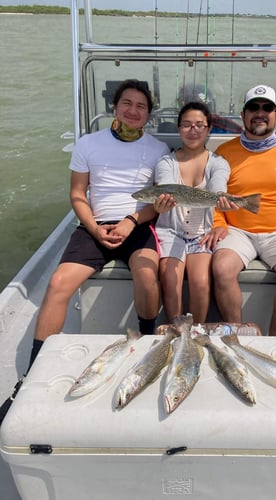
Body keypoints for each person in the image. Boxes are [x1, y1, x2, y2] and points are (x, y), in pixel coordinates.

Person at [0, 79, 170, 424]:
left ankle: (149, 339)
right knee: (59, 282)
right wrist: (94, 227)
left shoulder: (158, 150)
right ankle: (31, 374)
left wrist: (128, 222)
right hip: (93, 226)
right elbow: (78, 194)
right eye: (127, 103)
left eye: (141, 106)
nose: (133, 110)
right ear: (115, 106)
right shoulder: (88, 143)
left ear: (148, 114)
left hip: (135, 225)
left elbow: (155, 203)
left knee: (148, 273)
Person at [202, 84, 276, 336]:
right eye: (253, 107)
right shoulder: (224, 152)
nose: (260, 113)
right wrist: (219, 224)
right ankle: (238, 335)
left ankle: (274, 340)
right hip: (237, 230)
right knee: (221, 269)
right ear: (243, 115)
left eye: (267, 108)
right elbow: (214, 197)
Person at [153, 101, 231, 323]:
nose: (193, 130)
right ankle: (176, 330)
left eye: (199, 125)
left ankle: (196, 331)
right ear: (179, 129)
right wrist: (162, 203)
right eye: (186, 125)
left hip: (201, 232)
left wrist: (220, 198)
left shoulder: (218, 162)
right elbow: (167, 186)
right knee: (170, 279)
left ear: (208, 129)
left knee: (200, 282)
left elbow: (218, 185)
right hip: (170, 230)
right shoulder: (165, 162)